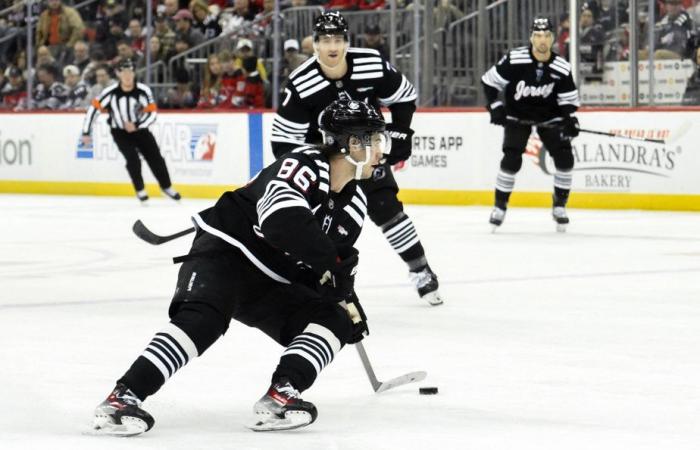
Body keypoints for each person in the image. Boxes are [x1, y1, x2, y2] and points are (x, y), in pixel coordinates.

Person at [91, 99, 383, 436]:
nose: (380, 148)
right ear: (350, 143)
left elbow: (329, 261)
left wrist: (344, 295)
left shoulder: (356, 201)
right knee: (203, 321)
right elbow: (282, 222)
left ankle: (281, 395)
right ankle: (122, 397)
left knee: (336, 318)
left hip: (269, 279)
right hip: (226, 251)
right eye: (373, 138)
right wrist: (329, 262)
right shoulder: (304, 165)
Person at [270, 12, 443, 306]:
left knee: (388, 209)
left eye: (338, 39)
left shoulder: (370, 64)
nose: (332, 46)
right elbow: (283, 141)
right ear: (315, 45)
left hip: (365, 152)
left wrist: (401, 133)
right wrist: (307, 172)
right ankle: (310, 282)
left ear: (347, 42)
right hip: (326, 162)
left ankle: (421, 270)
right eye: (326, 40)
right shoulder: (301, 83)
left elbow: (404, 95)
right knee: (321, 228)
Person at [481, 16, 580, 232]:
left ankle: (559, 205)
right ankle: (499, 206)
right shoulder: (515, 59)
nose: (542, 40)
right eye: (537, 36)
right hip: (518, 116)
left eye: (546, 36)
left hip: (549, 117)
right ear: (531, 37)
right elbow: (489, 82)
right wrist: (495, 106)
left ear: (552, 38)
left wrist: (570, 120)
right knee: (512, 157)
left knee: (565, 157)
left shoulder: (561, 67)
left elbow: (568, 100)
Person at [81, 58, 181, 203]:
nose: (128, 75)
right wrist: (86, 132)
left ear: (134, 73)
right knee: (132, 159)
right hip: (120, 132)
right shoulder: (110, 93)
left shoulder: (142, 90)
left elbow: (152, 112)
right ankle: (140, 189)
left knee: (156, 158)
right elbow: (93, 110)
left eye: (130, 72)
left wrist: (138, 124)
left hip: (140, 130)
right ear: (118, 74)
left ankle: (166, 186)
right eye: (124, 72)